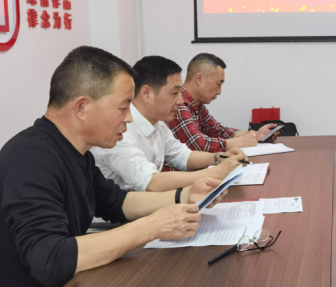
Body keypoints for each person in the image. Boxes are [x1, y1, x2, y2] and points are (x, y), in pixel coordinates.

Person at [0, 46, 232, 287]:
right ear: (82, 107)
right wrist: (152, 227)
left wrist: (185, 196)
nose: (129, 118)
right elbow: (50, 259)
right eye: (123, 106)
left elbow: (117, 202)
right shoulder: (32, 159)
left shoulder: (77, 153)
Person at [92, 56, 246, 192]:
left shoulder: (158, 123)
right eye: (174, 93)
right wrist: (216, 172)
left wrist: (220, 157)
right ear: (146, 93)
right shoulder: (120, 130)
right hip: (119, 213)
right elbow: (150, 182)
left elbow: (184, 156)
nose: (181, 100)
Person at [167, 53, 279, 170]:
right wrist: (240, 142)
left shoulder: (197, 105)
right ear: (199, 79)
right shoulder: (179, 104)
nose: (219, 92)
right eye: (218, 84)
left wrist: (255, 135)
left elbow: (217, 130)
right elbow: (197, 144)